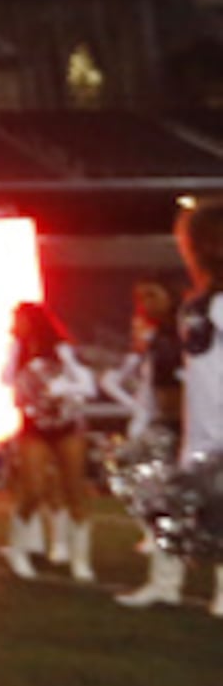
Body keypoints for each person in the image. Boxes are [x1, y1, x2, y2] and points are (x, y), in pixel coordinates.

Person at [139, 206, 223, 615]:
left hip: (215, 432)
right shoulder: (198, 304)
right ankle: (164, 584)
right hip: (200, 430)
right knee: (170, 504)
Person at [0, 302, 98, 583]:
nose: (15, 325)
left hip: (67, 425)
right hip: (33, 427)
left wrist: (61, 388)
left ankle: (81, 561)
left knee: (75, 490)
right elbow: (6, 380)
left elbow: (87, 385)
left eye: (19, 320)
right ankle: (18, 551)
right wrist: (17, 352)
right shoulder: (17, 350)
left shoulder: (61, 349)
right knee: (33, 490)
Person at [108, 282, 192, 609]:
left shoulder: (175, 339)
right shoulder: (161, 341)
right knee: (164, 507)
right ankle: (165, 582)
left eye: (155, 295)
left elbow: (172, 392)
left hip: (187, 429)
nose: (148, 304)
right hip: (175, 427)